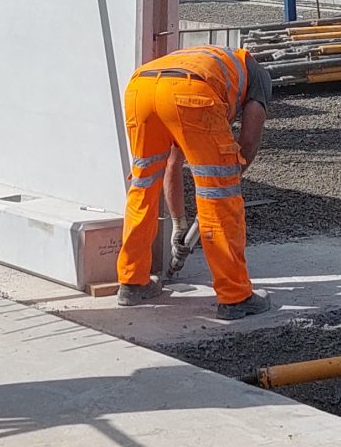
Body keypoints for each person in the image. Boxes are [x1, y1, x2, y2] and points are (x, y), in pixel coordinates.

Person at [113, 44, 275, 320]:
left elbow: (173, 163)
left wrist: (180, 223)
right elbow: (248, 142)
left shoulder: (208, 61)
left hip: (141, 90)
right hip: (191, 93)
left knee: (143, 185)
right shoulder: (258, 75)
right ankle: (235, 296)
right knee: (220, 198)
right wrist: (224, 184)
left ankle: (132, 282)